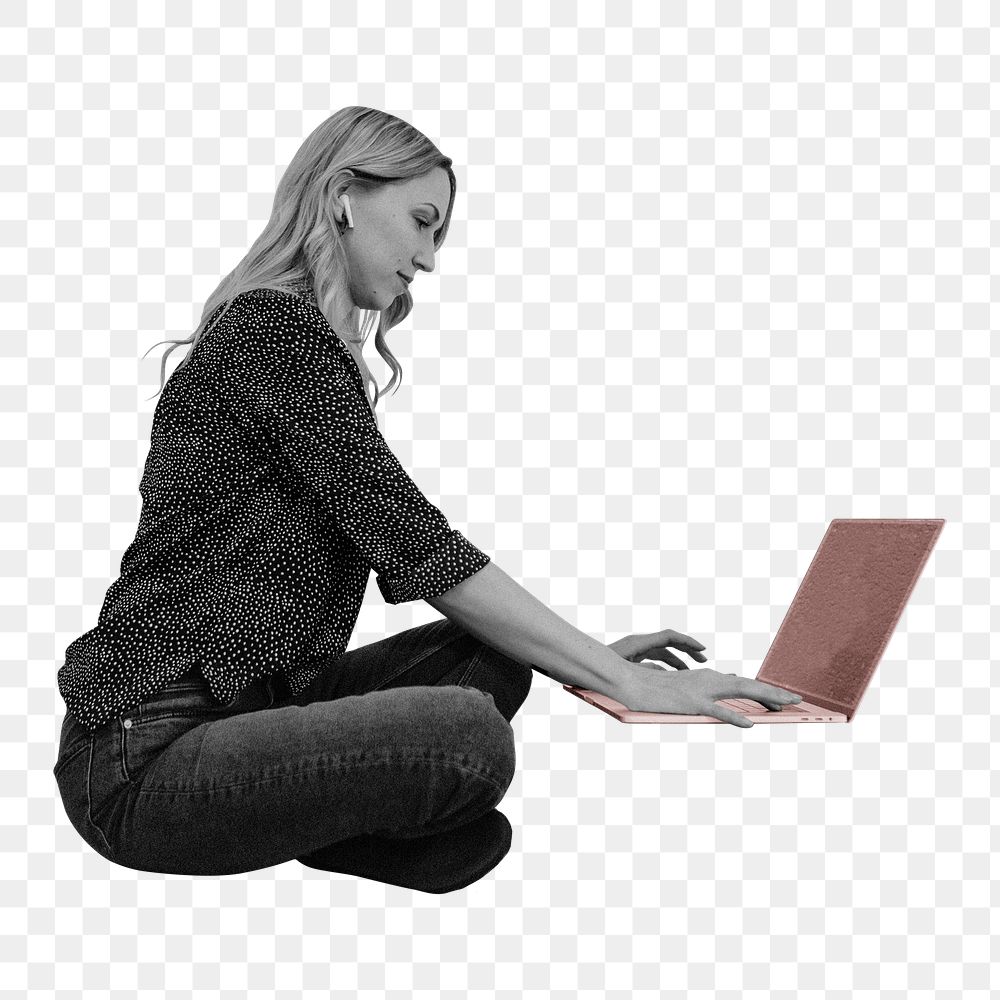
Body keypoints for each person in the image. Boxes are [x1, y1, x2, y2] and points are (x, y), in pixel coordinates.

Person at [52, 107, 802, 893]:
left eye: (437, 234)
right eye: (421, 221)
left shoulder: (302, 343)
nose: (429, 258)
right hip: (141, 756)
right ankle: (311, 807)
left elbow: (421, 554)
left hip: (250, 710)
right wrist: (625, 682)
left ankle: (300, 803)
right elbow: (416, 543)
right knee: (467, 736)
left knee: (497, 668)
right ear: (343, 194)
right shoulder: (272, 336)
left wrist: (581, 659)